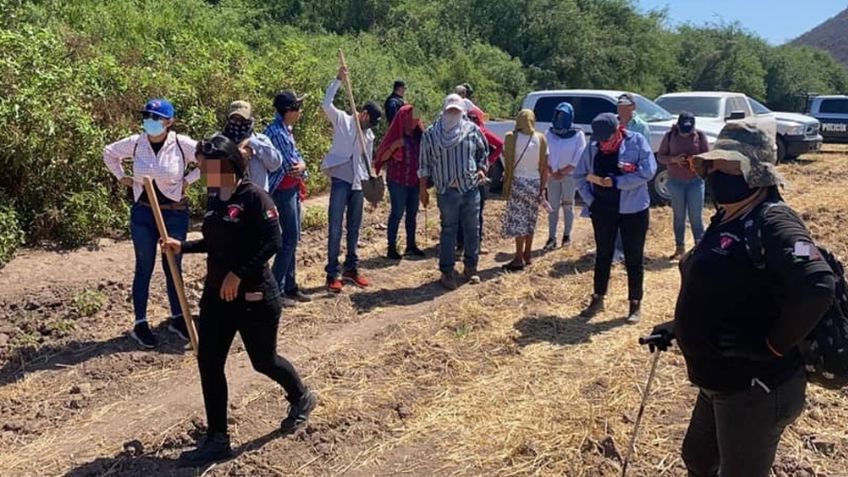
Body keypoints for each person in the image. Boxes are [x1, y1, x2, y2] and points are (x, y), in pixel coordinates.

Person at [648, 121, 835, 477]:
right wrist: (679, 327)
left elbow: (818, 286)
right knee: (698, 457)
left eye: (728, 165)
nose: (716, 173)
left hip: (757, 386)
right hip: (720, 380)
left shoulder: (774, 222)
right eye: (714, 164)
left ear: (755, 172)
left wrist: (770, 346)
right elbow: (729, 290)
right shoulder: (729, 217)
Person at [162, 134, 317, 467]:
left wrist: (238, 273)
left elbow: (273, 242)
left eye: (206, 167)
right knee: (209, 361)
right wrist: (183, 246)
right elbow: (214, 240)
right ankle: (217, 438)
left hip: (254, 296)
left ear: (226, 165)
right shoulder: (216, 197)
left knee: (263, 361)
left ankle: (301, 397)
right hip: (217, 297)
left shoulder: (256, 199)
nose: (202, 173)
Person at [103, 98, 198, 349]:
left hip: (174, 213)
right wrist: (121, 177)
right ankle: (141, 323)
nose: (151, 122)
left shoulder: (181, 144)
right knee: (143, 266)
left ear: (169, 122)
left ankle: (178, 319)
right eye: (147, 117)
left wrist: (189, 179)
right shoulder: (136, 143)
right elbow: (109, 153)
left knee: (173, 266)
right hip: (143, 214)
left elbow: (210, 159)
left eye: (156, 118)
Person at [573, 113, 657, 323]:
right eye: (599, 139)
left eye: (607, 139)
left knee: (633, 257)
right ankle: (598, 298)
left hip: (634, 210)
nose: (603, 143)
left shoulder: (637, 142)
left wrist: (618, 182)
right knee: (603, 255)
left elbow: (648, 171)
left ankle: (635, 303)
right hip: (603, 210)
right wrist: (590, 201)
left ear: (618, 130)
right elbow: (579, 175)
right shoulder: (592, 148)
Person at [321, 66, 382, 293]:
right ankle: (332, 273)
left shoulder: (369, 134)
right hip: (340, 180)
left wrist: (371, 190)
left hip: (358, 183)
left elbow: (367, 162)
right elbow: (326, 104)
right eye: (369, 120)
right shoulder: (344, 121)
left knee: (354, 228)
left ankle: (351, 269)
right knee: (335, 227)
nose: (369, 125)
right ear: (363, 113)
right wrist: (337, 80)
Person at [419, 94, 489, 290]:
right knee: (449, 230)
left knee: (472, 229)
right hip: (446, 191)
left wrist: (482, 169)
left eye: (456, 111)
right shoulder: (431, 135)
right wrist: (422, 190)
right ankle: (447, 272)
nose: (453, 114)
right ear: (444, 110)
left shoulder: (471, 130)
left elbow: (483, 152)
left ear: (462, 112)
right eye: (450, 110)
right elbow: (424, 165)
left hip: (470, 188)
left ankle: (470, 267)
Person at [265, 90, 311, 307]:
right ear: (289, 111)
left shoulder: (285, 130)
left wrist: (302, 166)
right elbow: (292, 166)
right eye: (297, 108)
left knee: (293, 239)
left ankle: (289, 286)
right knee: (289, 239)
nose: (300, 112)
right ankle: (276, 289)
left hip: (291, 190)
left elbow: (298, 159)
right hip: (282, 192)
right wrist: (303, 168)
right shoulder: (277, 133)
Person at [375, 104, 426, 260]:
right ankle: (392, 248)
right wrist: (393, 147)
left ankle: (411, 245)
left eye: (416, 117)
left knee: (412, 213)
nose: (414, 120)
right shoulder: (395, 137)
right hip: (397, 181)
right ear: (403, 119)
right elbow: (380, 158)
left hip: (414, 181)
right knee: (397, 213)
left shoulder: (420, 137)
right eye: (411, 117)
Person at [657, 111, 709, 260]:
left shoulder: (700, 136)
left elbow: (708, 157)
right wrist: (674, 159)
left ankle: (700, 249)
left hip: (695, 181)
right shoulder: (669, 136)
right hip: (675, 181)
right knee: (679, 216)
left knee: (696, 217)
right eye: (683, 129)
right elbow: (660, 156)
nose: (686, 133)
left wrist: (695, 161)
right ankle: (680, 248)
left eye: (689, 130)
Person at [501, 109, 548, 271]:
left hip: (518, 183)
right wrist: (542, 189)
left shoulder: (511, 138)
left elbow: (505, 156)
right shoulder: (541, 139)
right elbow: (544, 167)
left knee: (519, 220)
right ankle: (528, 254)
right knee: (530, 219)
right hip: (534, 183)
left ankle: (518, 257)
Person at [456, 106, 503, 255]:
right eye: (470, 118)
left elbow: (500, 145)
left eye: (474, 118)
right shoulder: (468, 132)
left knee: (473, 211)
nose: (471, 121)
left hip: (474, 176)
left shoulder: (480, 132)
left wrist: (488, 162)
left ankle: (468, 245)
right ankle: (465, 245)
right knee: (468, 212)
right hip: (469, 176)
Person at [612, 93, 651, 262]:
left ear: (632, 107)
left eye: (624, 106)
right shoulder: (612, 123)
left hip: (633, 177)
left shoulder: (641, 127)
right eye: (619, 106)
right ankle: (614, 248)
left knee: (630, 215)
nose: (620, 109)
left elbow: (646, 155)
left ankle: (625, 249)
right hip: (614, 176)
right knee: (614, 213)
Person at [543, 102, 586, 251]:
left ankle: (566, 236)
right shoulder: (549, 133)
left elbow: (579, 155)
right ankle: (551, 238)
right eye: (558, 114)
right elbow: (545, 153)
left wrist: (564, 171)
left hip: (569, 175)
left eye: (563, 115)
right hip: (552, 175)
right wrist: (551, 170)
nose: (560, 117)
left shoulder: (578, 134)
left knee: (568, 205)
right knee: (552, 207)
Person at [221, 100, 282, 193]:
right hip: (229, 202)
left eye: (241, 119)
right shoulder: (220, 142)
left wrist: (252, 143)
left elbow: (275, 164)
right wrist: (234, 156)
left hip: (257, 201)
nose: (237, 123)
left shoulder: (261, 140)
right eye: (234, 119)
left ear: (249, 119)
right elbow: (209, 180)